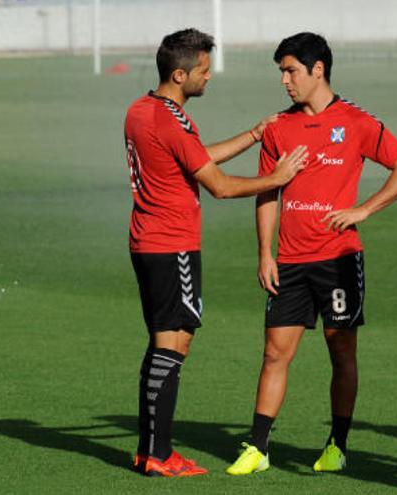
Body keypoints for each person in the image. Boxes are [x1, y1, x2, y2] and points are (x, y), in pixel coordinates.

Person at [226, 32, 397, 476]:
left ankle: (337, 444)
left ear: (318, 70)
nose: (285, 81)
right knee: (275, 352)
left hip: (338, 260)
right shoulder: (277, 126)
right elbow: (267, 192)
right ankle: (257, 447)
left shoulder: (355, 121)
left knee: (341, 351)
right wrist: (264, 253)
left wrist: (364, 209)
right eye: (281, 72)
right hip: (290, 260)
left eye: (290, 71)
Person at [124, 28, 307, 477]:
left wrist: (252, 135)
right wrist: (277, 179)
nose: (209, 77)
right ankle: (157, 454)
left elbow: (193, 157)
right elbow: (220, 187)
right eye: (204, 71)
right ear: (180, 73)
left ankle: (154, 449)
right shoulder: (170, 119)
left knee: (168, 342)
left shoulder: (143, 110)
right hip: (173, 246)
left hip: (148, 241)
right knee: (171, 345)